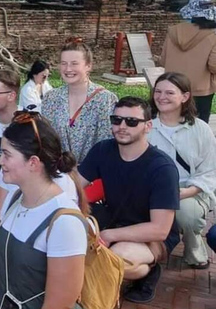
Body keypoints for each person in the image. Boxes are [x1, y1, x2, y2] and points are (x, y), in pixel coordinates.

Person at [0, 111, 88, 309]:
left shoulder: (65, 223)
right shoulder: (17, 199)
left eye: (6, 155)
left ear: (33, 162)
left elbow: (59, 305)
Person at [77, 97, 179, 303]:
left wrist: (107, 234)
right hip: (114, 218)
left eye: (131, 122)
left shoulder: (162, 168)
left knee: (113, 258)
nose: (122, 126)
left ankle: (147, 271)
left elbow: (160, 229)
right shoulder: (103, 150)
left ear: (148, 126)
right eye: (116, 120)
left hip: (152, 235)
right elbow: (73, 187)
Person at [148, 72, 216, 269]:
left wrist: (185, 192)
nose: (162, 97)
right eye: (158, 91)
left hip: (189, 191)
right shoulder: (146, 126)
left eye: (170, 92)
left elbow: (210, 171)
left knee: (186, 214)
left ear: (185, 97)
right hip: (151, 189)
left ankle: (193, 245)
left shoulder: (200, 129)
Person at [41, 40, 118, 163]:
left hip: (92, 174)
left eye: (74, 63)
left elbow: (107, 142)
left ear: (88, 66)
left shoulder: (105, 99)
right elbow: (46, 138)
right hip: (58, 172)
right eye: (64, 63)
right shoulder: (51, 98)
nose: (68, 69)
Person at [161, 0, 216, 123]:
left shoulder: (173, 31)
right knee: (198, 127)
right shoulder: (213, 35)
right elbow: (214, 66)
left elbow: (163, 60)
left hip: (173, 86)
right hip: (200, 90)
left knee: (173, 124)